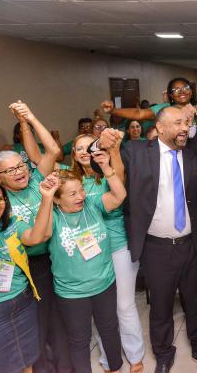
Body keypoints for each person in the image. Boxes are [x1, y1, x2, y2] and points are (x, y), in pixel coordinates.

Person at [117, 106, 197, 372]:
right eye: (177, 123)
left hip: (192, 243)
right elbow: (107, 168)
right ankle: (164, 353)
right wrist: (105, 145)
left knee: (195, 300)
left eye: (186, 123)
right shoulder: (137, 152)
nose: (184, 128)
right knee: (161, 305)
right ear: (160, 127)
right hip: (157, 247)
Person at [0, 101, 72, 373]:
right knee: (34, 327)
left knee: (56, 320)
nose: (19, 172)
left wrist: (29, 118)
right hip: (21, 270)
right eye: (10, 170)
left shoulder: (35, 181)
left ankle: (64, 366)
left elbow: (53, 150)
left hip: (50, 261)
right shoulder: (0, 200)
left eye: (21, 166)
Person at [41, 155, 127, 373]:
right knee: (80, 341)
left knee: (109, 330)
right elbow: (38, 235)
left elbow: (119, 196)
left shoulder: (92, 203)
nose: (81, 196)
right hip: (72, 293)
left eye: (81, 190)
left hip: (104, 284)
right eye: (73, 193)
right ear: (57, 199)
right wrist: (46, 199)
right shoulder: (52, 216)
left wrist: (107, 168)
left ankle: (115, 368)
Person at [69, 133, 145, 373]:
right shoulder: (71, 181)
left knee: (124, 305)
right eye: (78, 148)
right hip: (89, 255)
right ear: (73, 154)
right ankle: (108, 357)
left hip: (117, 247)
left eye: (88, 146)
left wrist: (111, 152)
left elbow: (120, 184)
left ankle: (135, 355)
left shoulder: (108, 173)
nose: (84, 152)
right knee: (102, 312)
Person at [0, 177, 56, 373]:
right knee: (5, 364)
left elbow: (36, 236)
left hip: (22, 301)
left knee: (27, 358)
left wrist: (46, 198)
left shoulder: (12, 223)